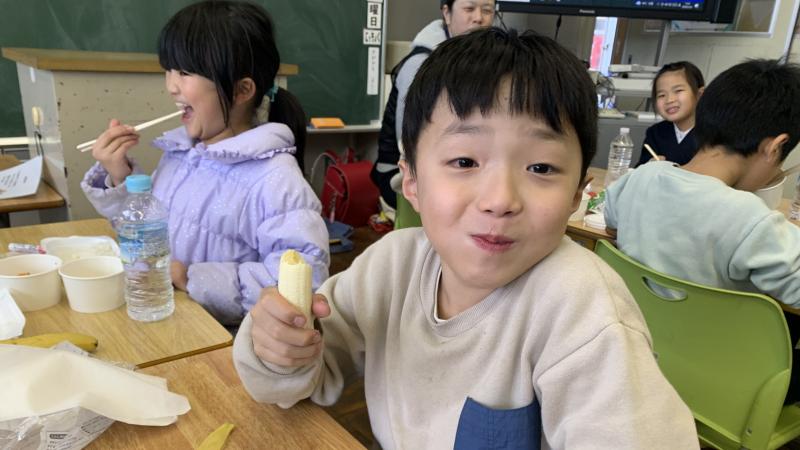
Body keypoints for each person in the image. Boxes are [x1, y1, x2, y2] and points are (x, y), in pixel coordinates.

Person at [233, 28, 698, 449]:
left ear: (578, 192)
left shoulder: (584, 312)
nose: (500, 200)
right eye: (464, 162)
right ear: (411, 180)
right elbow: (298, 383)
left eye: (541, 167)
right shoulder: (389, 268)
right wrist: (280, 348)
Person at [81, 1, 329, 326]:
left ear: (242, 90)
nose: (171, 85)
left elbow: (304, 281)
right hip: (168, 318)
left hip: (226, 342)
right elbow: (148, 234)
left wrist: (192, 278)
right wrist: (119, 174)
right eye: (170, 69)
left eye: (185, 73)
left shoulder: (275, 179)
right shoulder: (180, 154)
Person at [604, 59, 800, 402]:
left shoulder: (641, 178)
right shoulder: (751, 219)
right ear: (774, 147)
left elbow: (610, 221)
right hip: (721, 385)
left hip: (638, 354)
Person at [371, 0, 495, 209]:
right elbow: (409, 144)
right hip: (400, 170)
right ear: (447, 13)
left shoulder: (484, 63)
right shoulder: (421, 64)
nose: (478, 18)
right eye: (469, 9)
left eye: (487, 10)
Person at [636, 61, 705, 166]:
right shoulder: (656, 133)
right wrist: (649, 166)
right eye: (662, 95)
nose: (669, 100)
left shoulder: (714, 136)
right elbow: (639, 170)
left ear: (699, 95)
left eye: (678, 91)